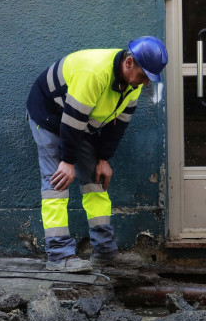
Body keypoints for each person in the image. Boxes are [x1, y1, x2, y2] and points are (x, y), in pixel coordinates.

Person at [27, 37, 168, 273]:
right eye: (144, 76)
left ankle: (104, 252)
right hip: (50, 115)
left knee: (96, 181)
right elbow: (72, 120)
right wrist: (68, 161)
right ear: (129, 62)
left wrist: (103, 159)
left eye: (149, 79)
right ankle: (59, 254)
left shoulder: (132, 85)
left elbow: (117, 126)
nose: (145, 84)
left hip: (81, 122)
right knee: (56, 183)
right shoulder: (93, 73)